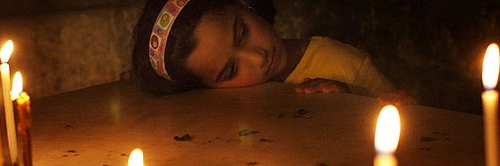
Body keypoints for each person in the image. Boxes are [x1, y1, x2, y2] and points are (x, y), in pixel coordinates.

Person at [132, 0, 414, 105]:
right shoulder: (219, 104)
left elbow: (413, 119)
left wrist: (350, 100)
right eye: (230, 71)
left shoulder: (344, 64)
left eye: (242, 32)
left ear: (244, 4)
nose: (258, 57)